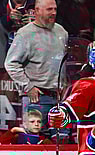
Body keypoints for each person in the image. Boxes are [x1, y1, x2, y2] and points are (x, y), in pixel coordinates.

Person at [4, 0, 68, 141]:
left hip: (58, 99)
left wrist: (63, 86)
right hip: (36, 98)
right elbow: (11, 63)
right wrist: (28, 87)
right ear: (37, 10)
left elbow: (63, 63)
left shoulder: (62, 32)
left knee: (61, 142)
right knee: (33, 141)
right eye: (49, 9)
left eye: (55, 9)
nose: (54, 13)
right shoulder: (25, 34)